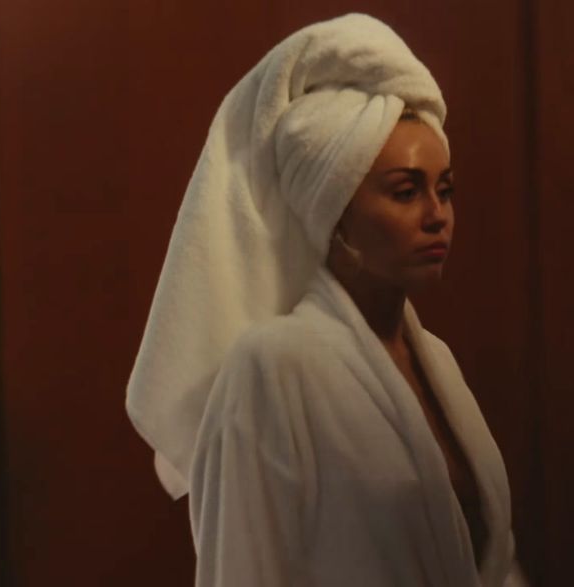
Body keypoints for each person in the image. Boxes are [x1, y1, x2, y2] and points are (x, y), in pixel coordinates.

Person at [125, 13, 526, 586]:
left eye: (446, 189)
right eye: (405, 191)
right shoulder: (271, 371)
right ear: (334, 213)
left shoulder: (438, 364)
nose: (437, 215)